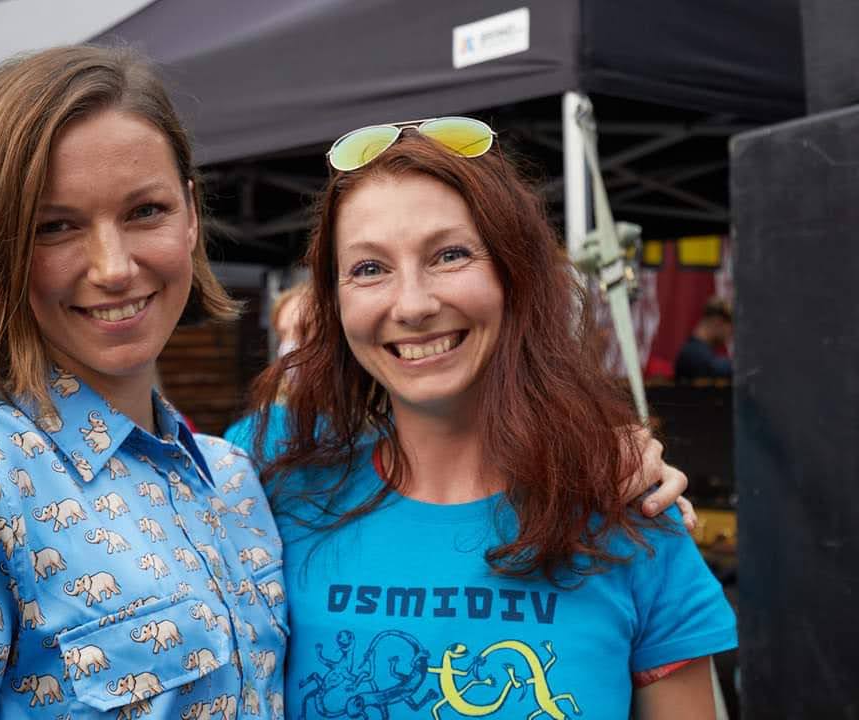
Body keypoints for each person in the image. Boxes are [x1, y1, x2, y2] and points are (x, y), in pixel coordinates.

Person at [0, 46, 286, 720]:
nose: (113, 267)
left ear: (190, 214)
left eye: (145, 211)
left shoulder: (235, 480)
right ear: (0, 250)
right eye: (56, 226)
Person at [245, 119, 736, 718]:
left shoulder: (629, 510)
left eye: (450, 255)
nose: (414, 304)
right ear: (335, 300)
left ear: (514, 272)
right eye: (369, 268)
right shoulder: (272, 496)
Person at [674, 297, 733, 382]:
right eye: (730, 330)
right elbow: (713, 368)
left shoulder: (700, 351)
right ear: (717, 323)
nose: (729, 336)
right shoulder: (693, 353)